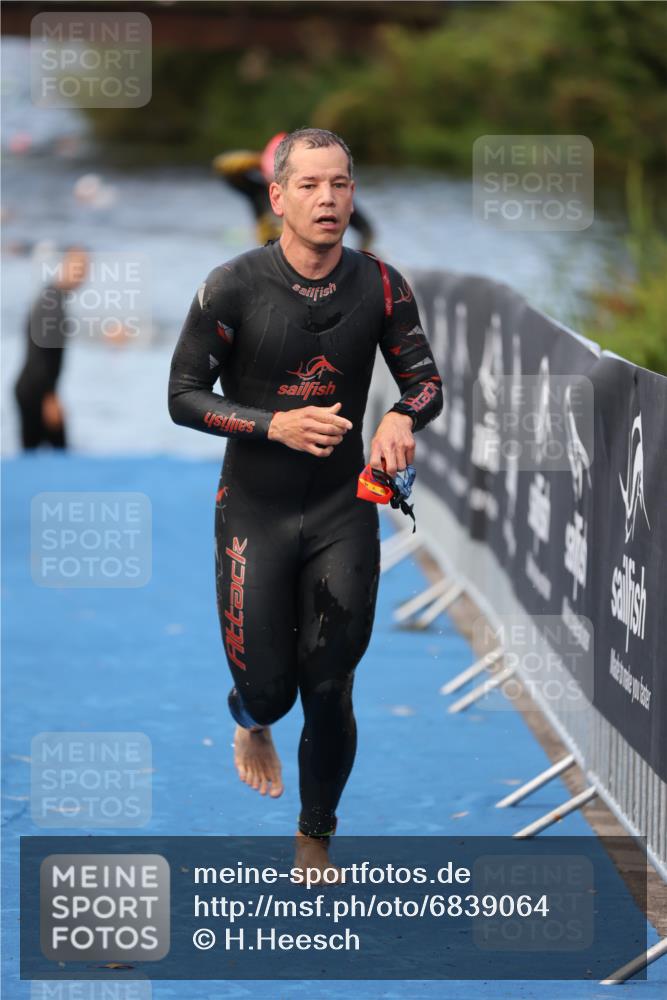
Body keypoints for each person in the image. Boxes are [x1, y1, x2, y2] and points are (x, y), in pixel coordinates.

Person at [169, 127, 442, 878]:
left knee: (330, 682)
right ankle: (247, 719)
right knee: (269, 692)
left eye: (341, 185)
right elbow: (182, 398)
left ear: (353, 195)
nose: (327, 199)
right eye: (311, 186)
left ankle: (314, 833)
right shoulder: (230, 286)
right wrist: (273, 424)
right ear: (278, 197)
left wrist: (398, 415)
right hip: (253, 510)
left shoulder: (381, 285)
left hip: (340, 510)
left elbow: (426, 383)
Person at [213, 131, 375, 249]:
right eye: (276, 176)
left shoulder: (331, 198)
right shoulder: (259, 192)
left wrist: (362, 257)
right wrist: (257, 160)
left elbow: (366, 230)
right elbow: (223, 166)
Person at [14, 247, 89, 450]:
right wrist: (49, 398)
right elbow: (40, 355)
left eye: (85, 269)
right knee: (52, 452)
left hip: (34, 388)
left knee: (42, 452)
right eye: (77, 267)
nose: (81, 275)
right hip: (34, 390)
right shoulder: (51, 303)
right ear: (64, 266)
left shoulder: (53, 298)